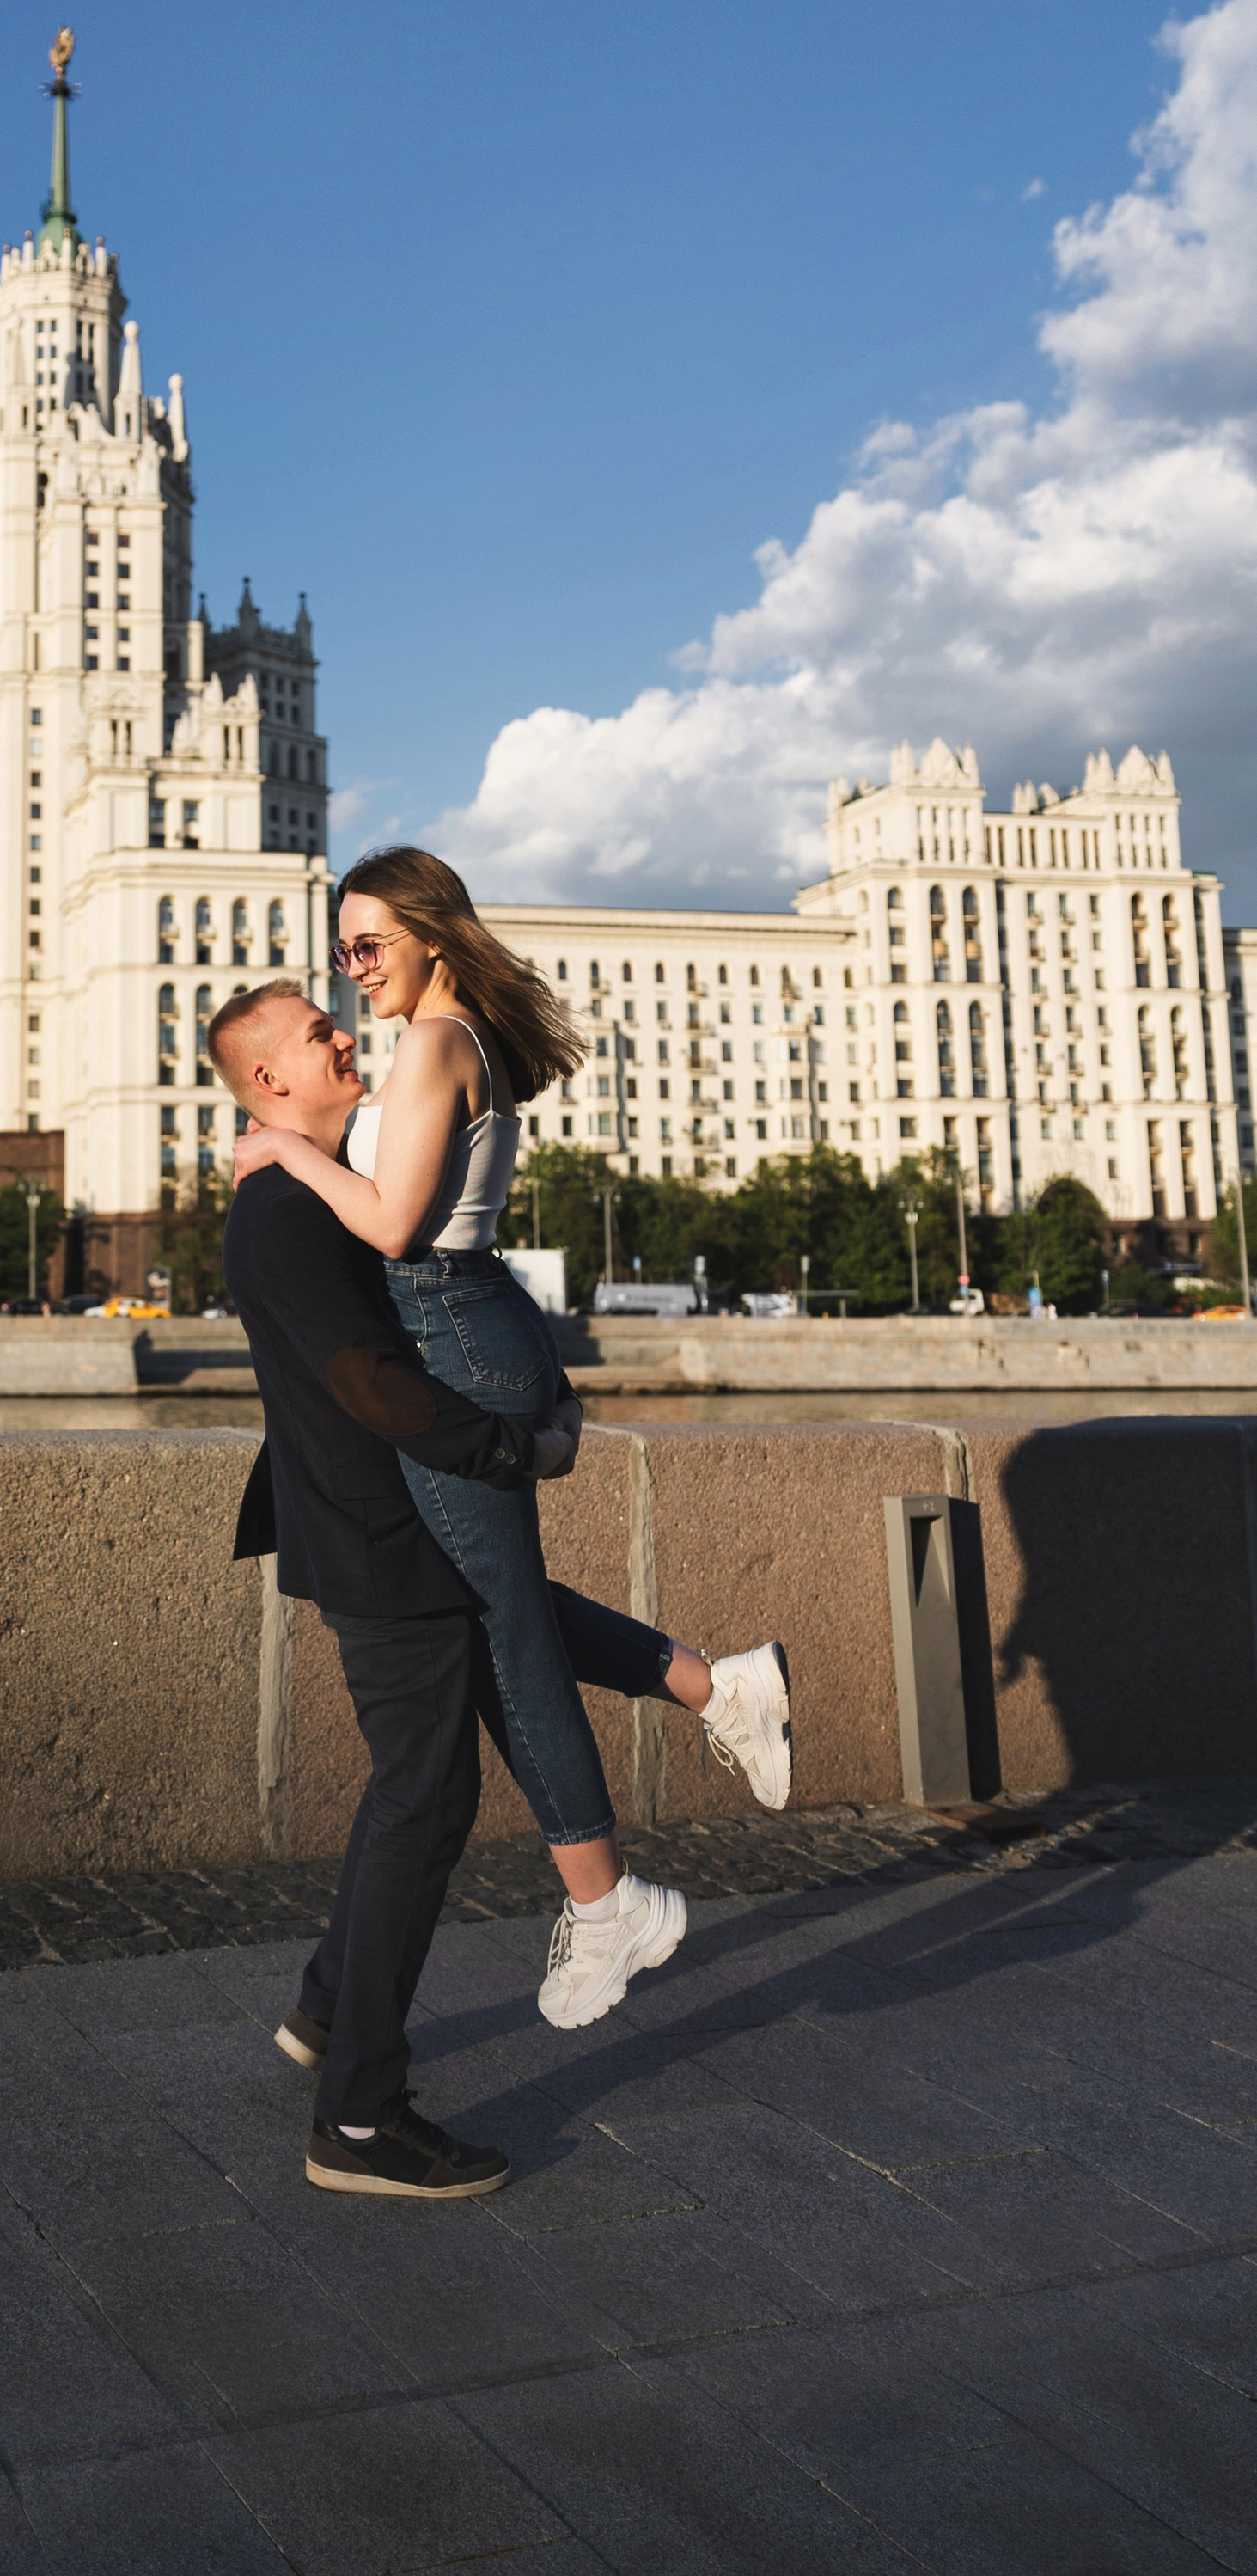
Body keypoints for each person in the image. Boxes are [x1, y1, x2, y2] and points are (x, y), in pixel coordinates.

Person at [229, 856, 793, 2033]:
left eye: (371, 944)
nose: (354, 970)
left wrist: (287, 1152)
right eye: (344, 950)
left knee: (504, 1628)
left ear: (431, 936)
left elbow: (391, 1224)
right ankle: (715, 1687)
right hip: (466, 1318)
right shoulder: (452, 1032)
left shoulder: (434, 1046)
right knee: (501, 1599)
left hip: (449, 1326)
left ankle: (610, 1904)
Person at [216, 977, 577, 2201]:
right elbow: (368, 1380)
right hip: (377, 1533)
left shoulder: (302, 1194)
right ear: (271, 1081)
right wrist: (504, 1448)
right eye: (317, 1033)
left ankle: (328, 2012)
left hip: (372, 1527)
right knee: (425, 1793)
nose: (339, 1032)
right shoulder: (284, 1212)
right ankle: (360, 2121)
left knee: (430, 1763)